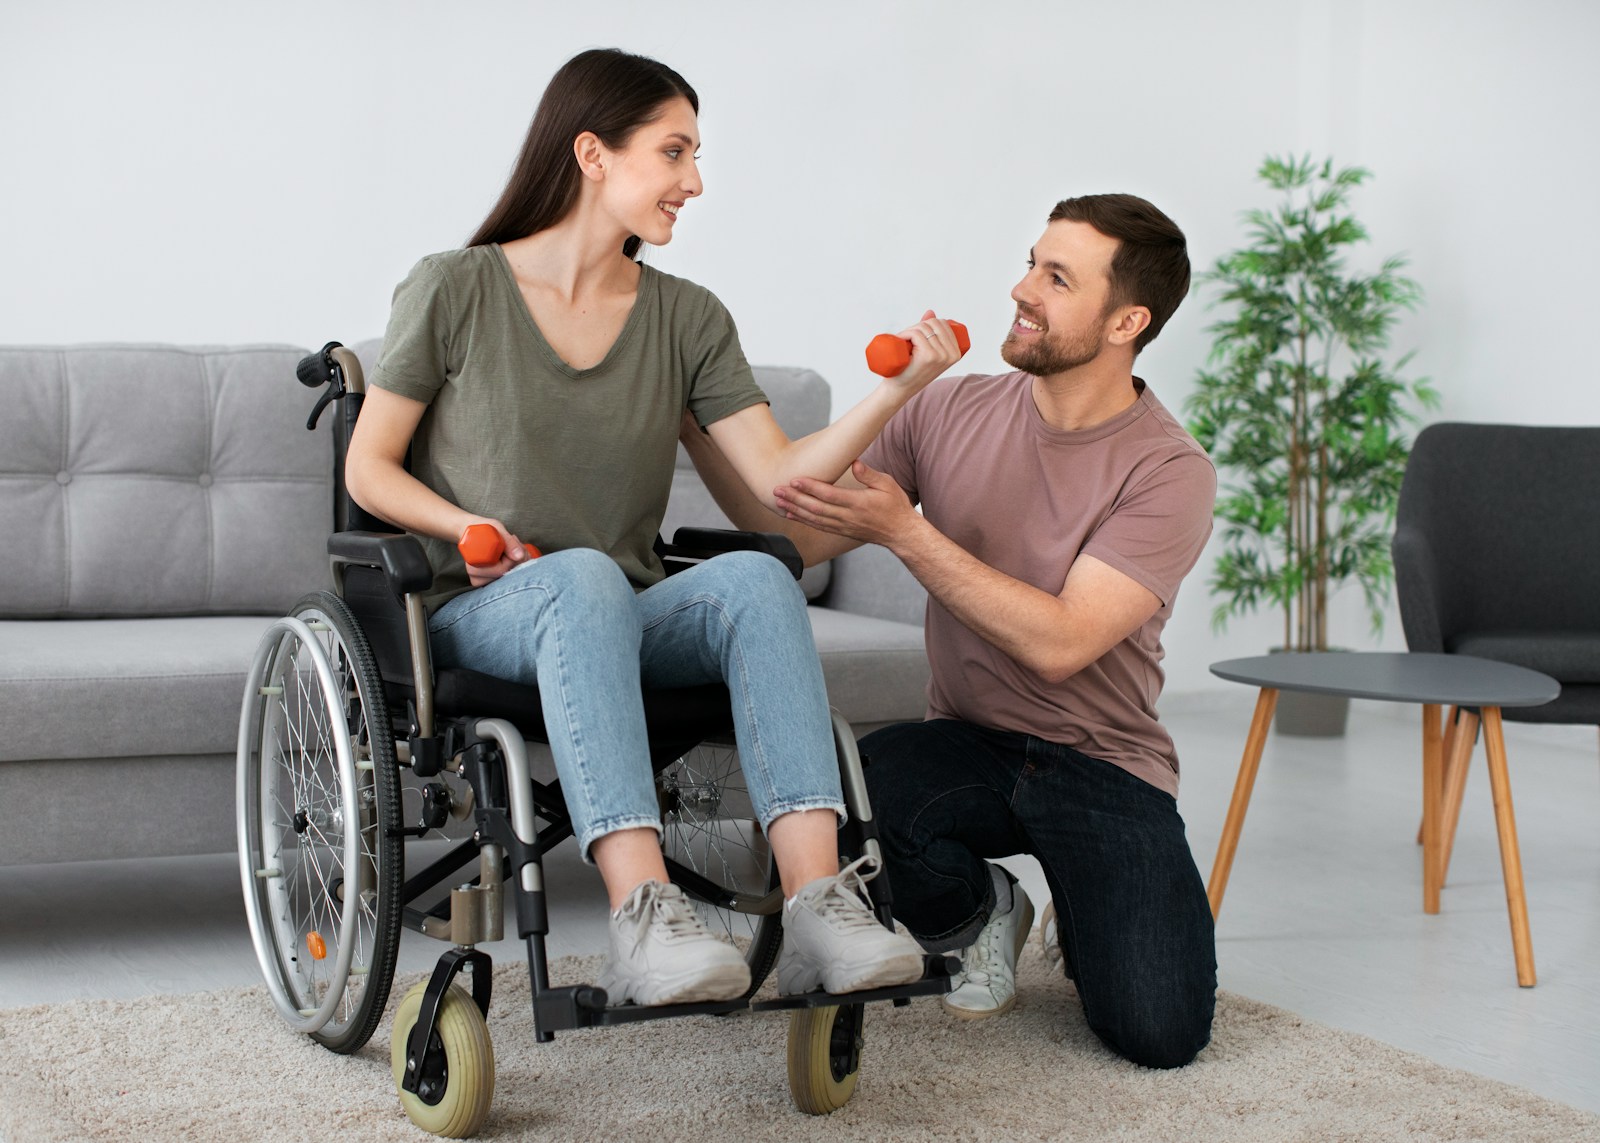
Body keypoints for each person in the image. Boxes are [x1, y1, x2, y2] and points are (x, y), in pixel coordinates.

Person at [345, 48, 962, 1007]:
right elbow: (368, 467)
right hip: (481, 606)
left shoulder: (688, 318)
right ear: (592, 153)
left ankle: (818, 905)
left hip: (620, 609)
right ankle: (642, 918)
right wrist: (465, 522)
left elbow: (775, 486)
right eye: (675, 154)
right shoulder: (455, 287)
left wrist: (895, 391)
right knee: (586, 575)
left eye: (697, 156)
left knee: (759, 576)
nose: (695, 182)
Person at [682, 194, 1218, 1066]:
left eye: (1056, 277)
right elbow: (805, 531)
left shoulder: (1169, 469)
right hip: (964, 743)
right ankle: (986, 909)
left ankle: (1089, 910)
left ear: (1128, 320)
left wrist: (906, 531)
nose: (1022, 288)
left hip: (1103, 762)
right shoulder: (947, 410)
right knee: (849, 800)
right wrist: (699, 424)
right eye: (1031, 261)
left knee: (1158, 1031)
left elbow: (1061, 642)